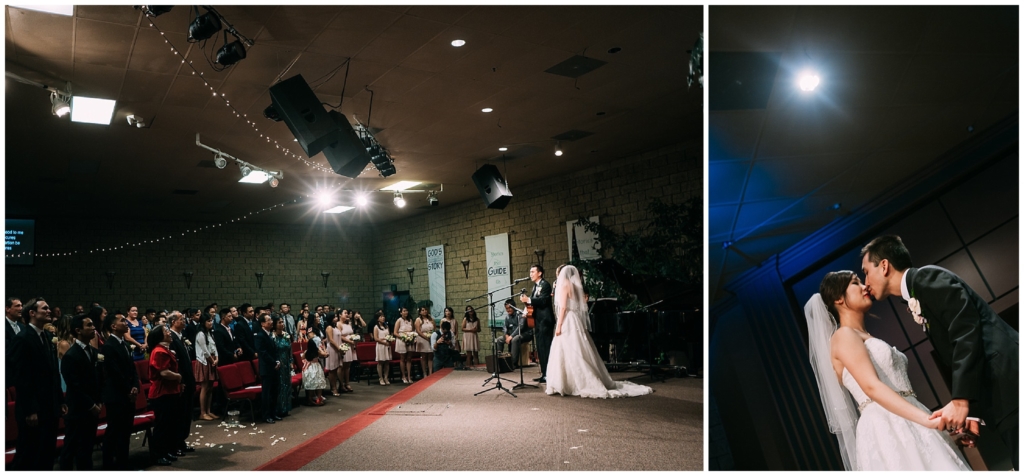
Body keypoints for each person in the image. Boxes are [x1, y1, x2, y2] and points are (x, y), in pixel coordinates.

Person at [860, 235, 1018, 469]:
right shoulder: (916, 292)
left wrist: (961, 399)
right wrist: (972, 412)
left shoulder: (926, 277)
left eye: (865, 271)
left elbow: (966, 331)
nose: (865, 282)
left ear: (884, 266)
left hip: (1010, 382)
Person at [804, 270, 970, 470]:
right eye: (856, 282)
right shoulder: (843, 335)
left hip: (910, 416)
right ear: (838, 298)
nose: (865, 286)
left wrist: (939, 433)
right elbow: (871, 387)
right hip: (885, 425)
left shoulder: (864, 335)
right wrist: (928, 422)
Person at [545, 265, 652, 399]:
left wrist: (559, 324)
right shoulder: (575, 285)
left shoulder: (564, 285)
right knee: (577, 349)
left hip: (567, 319)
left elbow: (563, 308)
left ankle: (567, 382)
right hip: (575, 319)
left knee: (567, 348)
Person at [10, 297, 65, 470]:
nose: (49, 311)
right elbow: (22, 377)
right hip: (33, 408)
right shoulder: (23, 338)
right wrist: (30, 409)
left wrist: (60, 400)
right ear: (32, 313)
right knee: (29, 454)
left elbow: (53, 372)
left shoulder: (47, 336)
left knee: (47, 452)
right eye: (45, 308)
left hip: (49, 406)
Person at [59, 314, 102, 470]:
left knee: (87, 448)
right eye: (89, 325)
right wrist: (91, 405)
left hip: (92, 408)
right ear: (78, 330)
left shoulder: (93, 351)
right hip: (78, 410)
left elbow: (98, 378)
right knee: (71, 449)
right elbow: (74, 386)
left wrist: (99, 400)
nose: (93, 328)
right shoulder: (71, 355)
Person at [100, 311, 140, 470]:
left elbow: (132, 369)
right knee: (114, 433)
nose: (126, 323)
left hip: (128, 394)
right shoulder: (109, 346)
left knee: (125, 432)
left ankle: (123, 464)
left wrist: (136, 385)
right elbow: (115, 373)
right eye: (123, 320)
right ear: (113, 326)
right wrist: (129, 389)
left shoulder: (123, 344)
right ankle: (109, 466)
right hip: (117, 396)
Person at [147, 324, 182, 466]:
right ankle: (158, 454)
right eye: (166, 331)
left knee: (169, 424)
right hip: (161, 393)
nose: (169, 332)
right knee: (162, 425)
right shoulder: (159, 351)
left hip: (169, 391)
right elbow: (164, 373)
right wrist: (179, 377)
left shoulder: (165, 349)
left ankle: (166, 450)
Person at [167, 311, 197, 455]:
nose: (184, 321)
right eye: (181, 319)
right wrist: (181, 381)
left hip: (188, 380)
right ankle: (176, 443)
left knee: (187, 414)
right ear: (173, 322)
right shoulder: (171, 338)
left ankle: (182, 440)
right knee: (180, 414)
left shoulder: (180, 336)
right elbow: (175, 364)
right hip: (182, 382)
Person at [520, 264, 554, 383]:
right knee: (540, 348)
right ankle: (544, 373)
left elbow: (544, 301)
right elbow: (533, 303)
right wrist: (526, 310)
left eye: (533, 271)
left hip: (545, 320)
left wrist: (528, 300)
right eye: (530, 272)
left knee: (546, 347)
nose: (531, 274)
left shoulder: (545, 285)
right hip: (538, 321)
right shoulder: (535, 287)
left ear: (540, 273)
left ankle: (549, 374)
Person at [254, 314, 283, 424]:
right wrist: (273, 362)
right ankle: (266, 415)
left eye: (271, 319)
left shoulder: (270, 334)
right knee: (266, 393)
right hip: (266, 368)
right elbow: (263, 353)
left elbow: (275, 350)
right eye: (268, 320)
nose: (271, 322)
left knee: (274, 392)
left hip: (274, 367)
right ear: (262, 323)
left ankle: (273, 413)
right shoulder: (260, 336)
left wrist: (278, 360)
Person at [193, 313, 220, 420]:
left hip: (212, 360)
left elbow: (214, 347)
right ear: (203, 323)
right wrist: (212, 360)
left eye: (211, 320)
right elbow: (205, 350)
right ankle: (202, 412)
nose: (211, 322)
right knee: (204, 387)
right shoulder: (200, 334)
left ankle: (209, 410)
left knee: (210, 387)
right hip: (204, 361)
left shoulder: (210, 333)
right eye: (208, 321)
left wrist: (217, 358)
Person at [494, 300, 531, 367]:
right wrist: (506, 334)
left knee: (515, 339)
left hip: (525, 334)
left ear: (514, 307)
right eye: (507, 309)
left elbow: (521, 327)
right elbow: (505, 326)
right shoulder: (508, 317)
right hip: (511, 334)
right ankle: (498, 361)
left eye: (509, 308)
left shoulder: (520, 314)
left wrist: (511, 336)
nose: (508, 310)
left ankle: (513, 363)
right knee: (499, 339)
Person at [272, 316, 293, 417]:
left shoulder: (286, 335)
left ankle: (286, 408)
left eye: (282, 322)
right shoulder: (273, 337)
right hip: (278, 363)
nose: (282, 324)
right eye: (279, 322)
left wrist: (291, 361)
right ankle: (278, 409)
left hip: (286, 364)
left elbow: (290, 350)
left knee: (287, 385)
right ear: (275, 324)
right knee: (280, 386)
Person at [302, 338, 329, 406]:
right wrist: (325, 350)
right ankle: (318, 399)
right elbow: (324, 355)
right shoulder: (317, 351)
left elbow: (302, 358)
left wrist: (307, 361)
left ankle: (310, 399)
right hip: (316, 367)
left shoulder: (306, 352)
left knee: (311, 384)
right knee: (319, 383)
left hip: (309, 368)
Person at [393, 307, 416, 383]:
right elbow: (395, 332)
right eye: (404, 311)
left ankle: (409, 376)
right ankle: (403, 376)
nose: (406, 312)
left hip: (409, 339)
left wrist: (411, 336)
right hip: (402, 340)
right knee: (402, 358)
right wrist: (403, 337)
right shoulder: (399, 320)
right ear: (401, 313)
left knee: (409, 358)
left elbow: (412, 330)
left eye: (407, 310)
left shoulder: (410, 320)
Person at [324, 312, 344, 396]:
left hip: (337, 348)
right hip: (332, 349)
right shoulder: (329, 327)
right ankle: (333, 388)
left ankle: (337, 386)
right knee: (332, 370)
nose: (336, 318)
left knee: (336, 368)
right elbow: (331, 340)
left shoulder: (336, 327)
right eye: (334, 317)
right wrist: (339, 348)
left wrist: (342, 347)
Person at [338, 310, 358, 393]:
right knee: (343, 366)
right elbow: (340, 336)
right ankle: (341, 385)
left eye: (347, 313)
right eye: (345, 313)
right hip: (344, 345)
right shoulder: (339, 324)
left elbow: (351, 334)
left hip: (350, 346)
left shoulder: (348, 324)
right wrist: (349, 341)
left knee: (348, 366)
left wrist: (354, 339)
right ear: (340, 315)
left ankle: (347, 383)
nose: (347, 315)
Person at [414, 307, 435, 378]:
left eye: (425, 310)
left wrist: (432, 336)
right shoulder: (418, 319)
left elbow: (434, 328)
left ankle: (430, 372)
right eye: (422, 310)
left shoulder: (431, 319)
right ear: (420, 312)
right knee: (424, 356)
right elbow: (418, 331)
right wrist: (426, 337)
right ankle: (424, 373)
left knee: (430, 356)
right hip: (422, 338)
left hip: (430, 338)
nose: (425, 311)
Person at [372, 311, 392, 385]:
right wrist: (384, 342)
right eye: (381, 317)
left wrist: (389, 340)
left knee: (387, 362)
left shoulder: (386, 326)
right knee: (380, 362)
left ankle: (386, 377)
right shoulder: (376, 327)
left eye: (383, 316)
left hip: (387, 345)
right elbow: (376, 338)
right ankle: (380, 378)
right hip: (380, 345)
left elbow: (389, 336)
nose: (383, 318)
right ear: (377, 319)